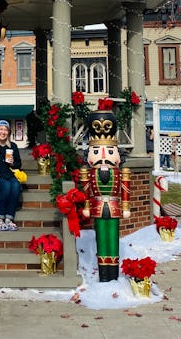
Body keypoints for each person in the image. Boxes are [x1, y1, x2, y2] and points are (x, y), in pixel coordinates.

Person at [80, 109, 131, 282]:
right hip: (99, 206)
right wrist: (87, 206)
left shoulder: (121, 172)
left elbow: (125, 188)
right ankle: (104, 273)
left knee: (113, 238)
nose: (103, 157)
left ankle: (113, 272)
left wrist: (125, 206)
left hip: (115, 206)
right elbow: (87, 189)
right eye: (96, 152)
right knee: (101, 237)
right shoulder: (88, 172)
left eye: (109, 152)